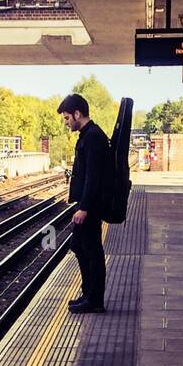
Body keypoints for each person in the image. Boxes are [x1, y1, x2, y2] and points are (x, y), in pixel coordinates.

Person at [57, 93, 110, 312]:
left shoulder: (93, 137)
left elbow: (93, 177)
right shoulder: (88, 135)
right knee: (79, 246)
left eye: (68, 118)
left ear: (78, 113)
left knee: (93, 251)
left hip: (91, 207)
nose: (67, 123)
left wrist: (84, 208)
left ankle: (94, 300)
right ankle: (88, 293)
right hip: (86, 205)